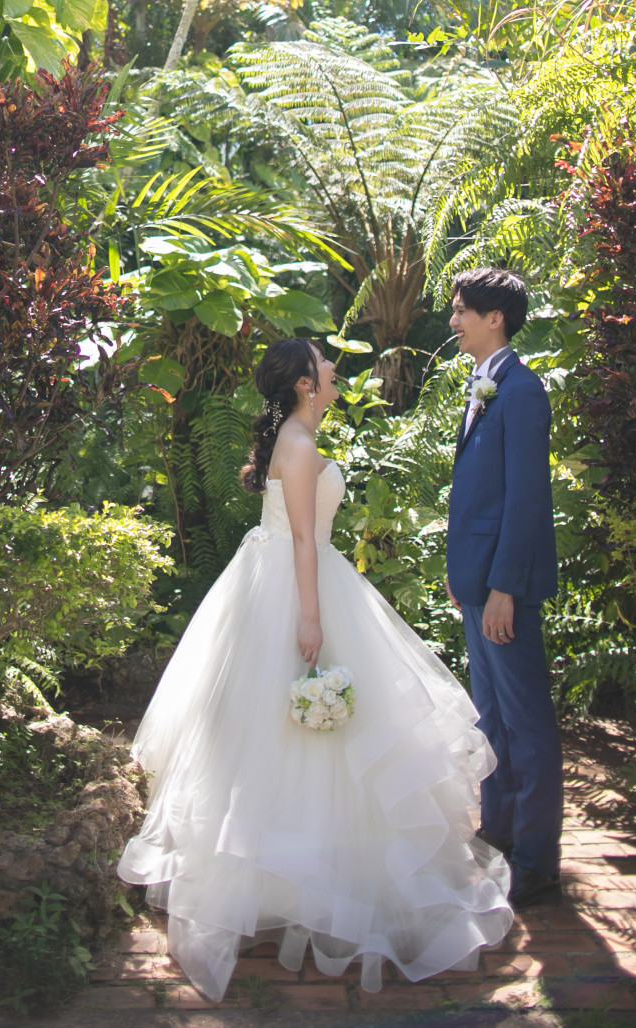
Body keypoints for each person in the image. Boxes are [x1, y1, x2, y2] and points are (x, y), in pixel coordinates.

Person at [118, 337, 512, 1003]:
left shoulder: (300, 434)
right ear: (305, 382)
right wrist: (310, 618)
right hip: (295, 585)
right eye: (325, 365)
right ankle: (283, 888)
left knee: (310, 742)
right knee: (291, 736)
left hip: (301, 575)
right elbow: (303, 536)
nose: (333, 370)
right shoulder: (298, 446)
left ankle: (294, 883)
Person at [447, 267, 563, 909]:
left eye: (463, 309)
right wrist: (463, 570)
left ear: (496, 317)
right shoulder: (482, 384)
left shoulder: (519, 392)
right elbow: (476, 493)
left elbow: (525, 501)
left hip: (503, 588)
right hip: (477, 581)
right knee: (492, 717)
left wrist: (502, 589)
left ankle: (538, 859)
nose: (454, 320)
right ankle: (499, 832)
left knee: (526, 720)